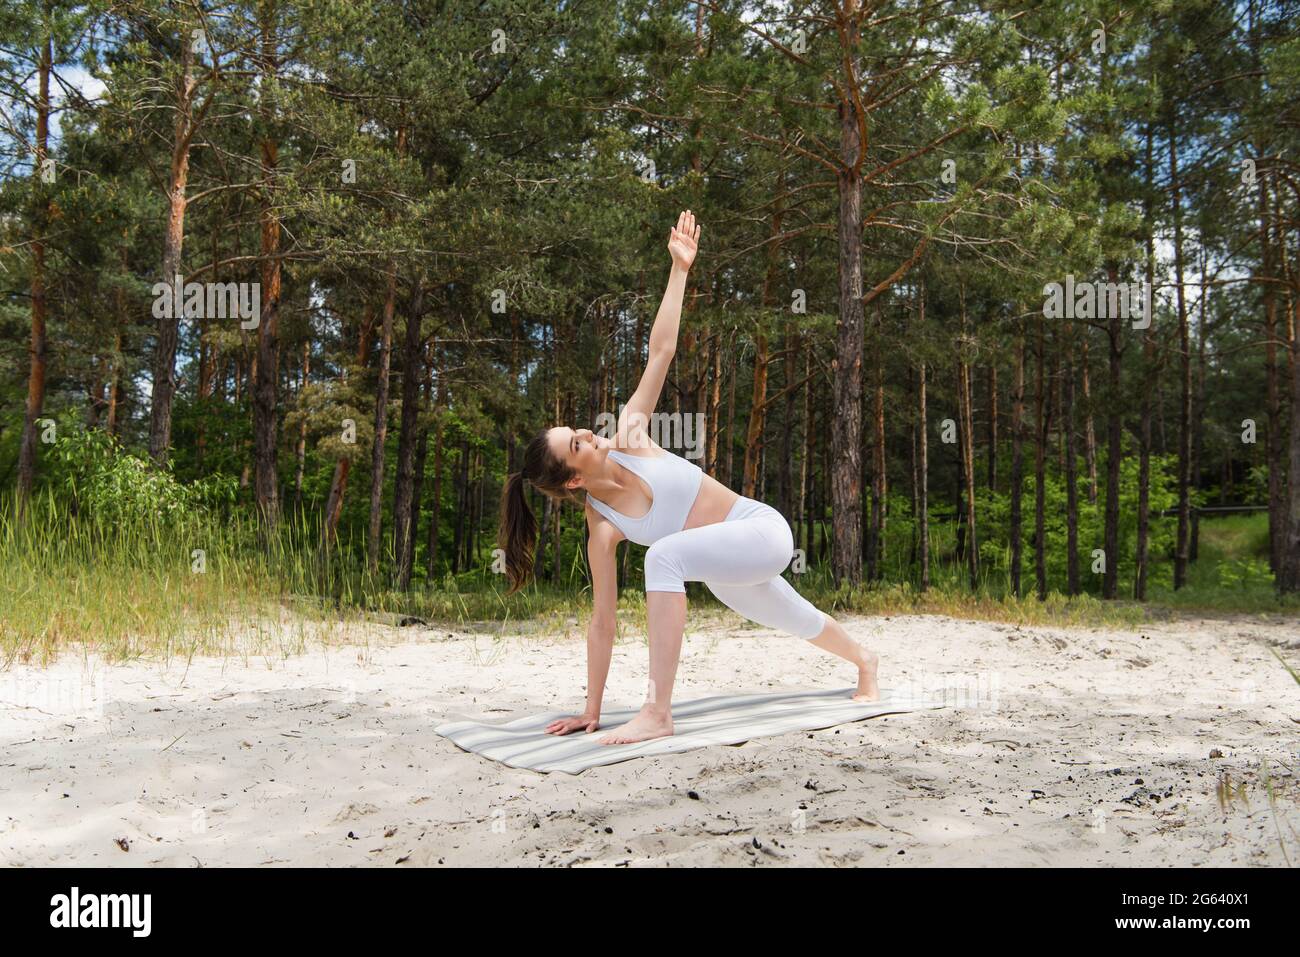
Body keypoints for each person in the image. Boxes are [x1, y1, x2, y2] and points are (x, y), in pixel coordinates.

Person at [498, 210, 879, 745]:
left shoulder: (630, 436)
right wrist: (592, 708)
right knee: (797, 618)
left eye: (576, 429)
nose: (587, 431)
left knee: (663, 555)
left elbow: (661, 351)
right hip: (726, 572)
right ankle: (866, 662)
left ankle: (658, 711)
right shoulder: (601, 526)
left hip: (762, 530)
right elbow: (602, 620)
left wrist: (679, 269)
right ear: (574, 482)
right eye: (577, 443)